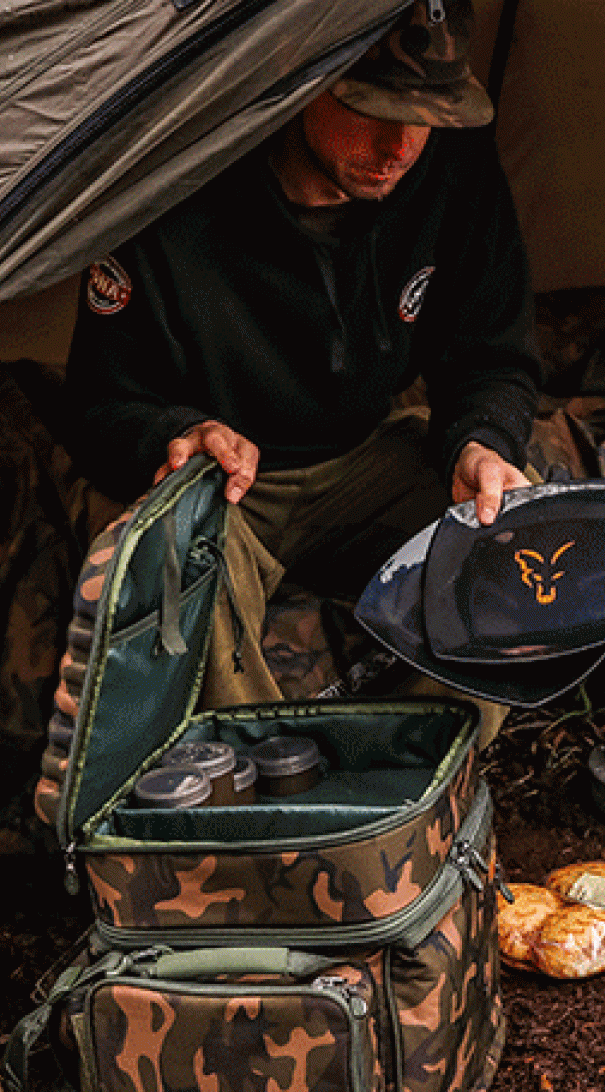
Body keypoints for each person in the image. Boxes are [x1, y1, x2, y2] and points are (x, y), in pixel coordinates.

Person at [60, 0, 538, 722]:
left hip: (364, 460)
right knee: (172, 561)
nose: (399, 145)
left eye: (427, 114)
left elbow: (491, 354)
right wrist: (177, 432)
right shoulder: (177, 188)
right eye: (372, 108)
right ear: (300, 80)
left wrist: (482, 441)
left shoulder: (450, 162)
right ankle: (251, 801)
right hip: (228, 488)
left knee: (508, 537)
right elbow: (98, 400)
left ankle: (414, 784)